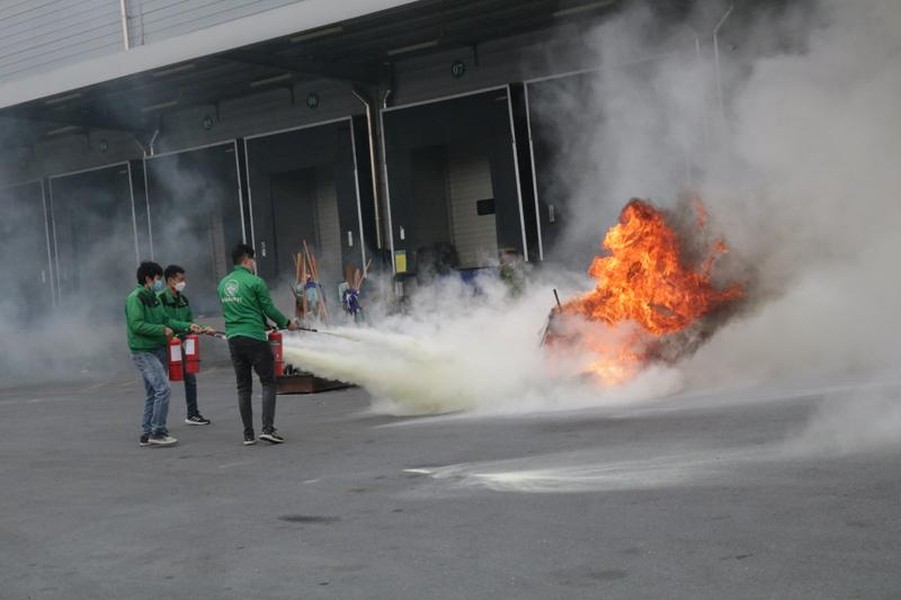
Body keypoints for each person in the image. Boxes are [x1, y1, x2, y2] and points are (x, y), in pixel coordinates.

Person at [217, 243, 298, 446]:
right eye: (253, 260)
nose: (254, 263)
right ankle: (268, 429)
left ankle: (248, 434)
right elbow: (268, 308)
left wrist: (264, 324)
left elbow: (243, 309)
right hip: (254, 338)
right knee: (268, 382)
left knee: (243, 387)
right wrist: (287, 323)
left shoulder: (223, 284)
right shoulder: (255, 282)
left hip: (233, 338)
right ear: (246, 260)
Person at [126, 261, 203, 447]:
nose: (159, 282)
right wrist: (161, 330)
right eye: (157, 278)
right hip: (144, 350)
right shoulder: (136, 298)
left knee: (153, 391)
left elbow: (166, 320)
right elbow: (136, 325)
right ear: (148, 278)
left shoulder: (152, 297)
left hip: (158, 348)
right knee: (163, 388)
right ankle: (158, 432)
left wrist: (188, 326)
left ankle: (147, 432)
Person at [159, 264, 213, 426]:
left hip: (178, 344)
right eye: (180, 279)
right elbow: (166, 321)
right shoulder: (160, 299)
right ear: (170, 280)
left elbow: (189, 321)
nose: (183, 282)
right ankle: (157, 422)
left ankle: (192, 413)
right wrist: (187, 326)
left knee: (190, 377)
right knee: (160, 385)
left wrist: (201, 328)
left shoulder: (183, 299)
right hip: (163, 344)